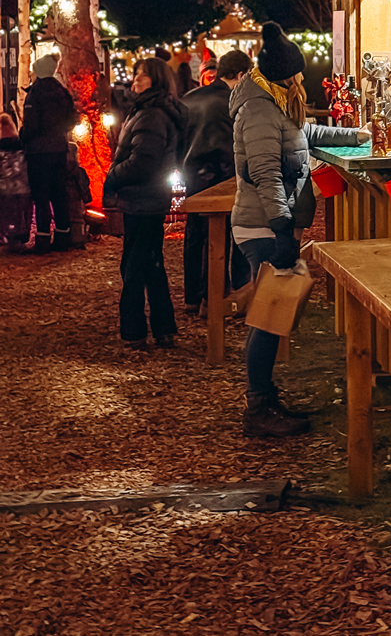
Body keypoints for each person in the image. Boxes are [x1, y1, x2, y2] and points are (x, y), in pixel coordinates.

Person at [232, 21, 369, 437]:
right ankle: (258, 407)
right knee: (269, 315)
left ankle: (264, 397)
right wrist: (282, 230)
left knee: (274, 311)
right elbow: (266, 175)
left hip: (270, 222)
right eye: (298, 75)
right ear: (286, 76)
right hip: (261, 225)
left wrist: (355, 135)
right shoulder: (258, 110)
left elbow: (304, 134)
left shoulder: (272, 104)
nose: (302, 82)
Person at [103, 57, 186, 350]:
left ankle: (134, 330)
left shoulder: (151, 115)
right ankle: (164, 329)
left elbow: (143, 162)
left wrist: (113, 176)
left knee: (135, 266)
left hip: (142, 199)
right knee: (151, 264)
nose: (135, 80)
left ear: (156, 80)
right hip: (145, 199)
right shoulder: (149, 111)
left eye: (141, 75)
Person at [180, 49, 252, 313]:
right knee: (226, 238)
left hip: (192, 176)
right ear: (242, 74)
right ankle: (218, 296)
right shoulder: (234, 102)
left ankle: (192, 297)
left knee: (194, 237)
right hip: (223, 176)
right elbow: (231, 146)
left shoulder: (189, 99)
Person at [20, 54, 76, 253]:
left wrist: (23, 136)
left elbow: (32, 125)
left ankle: (43, 239)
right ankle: (63, 236)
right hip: (60, 149)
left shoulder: (35, 93)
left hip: (39, 152)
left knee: (41, 196)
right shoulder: (62, 92)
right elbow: (72, 119)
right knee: (59, 194)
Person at [0, 113, 32, 249]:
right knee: (22, 215)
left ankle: (8, 237)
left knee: (6, 214)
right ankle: (21, 236)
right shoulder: (22, 145)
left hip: (4, 189)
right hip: (24, 187)